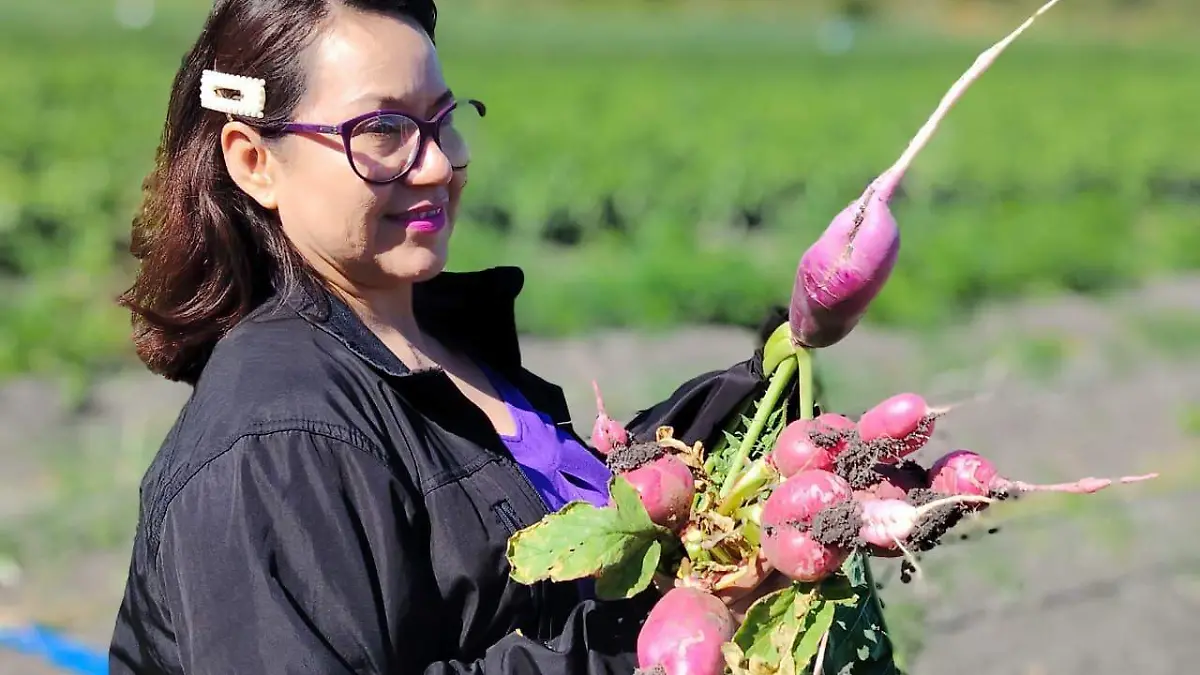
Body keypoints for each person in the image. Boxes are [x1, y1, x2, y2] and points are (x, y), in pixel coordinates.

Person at [106, 1, 794, 673]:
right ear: (255, 161)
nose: (437, 164)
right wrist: (653, 636)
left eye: (442, 120)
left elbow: (542, 531)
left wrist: (765, 397)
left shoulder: (436, 341)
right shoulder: (272, 446)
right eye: (382, 129)